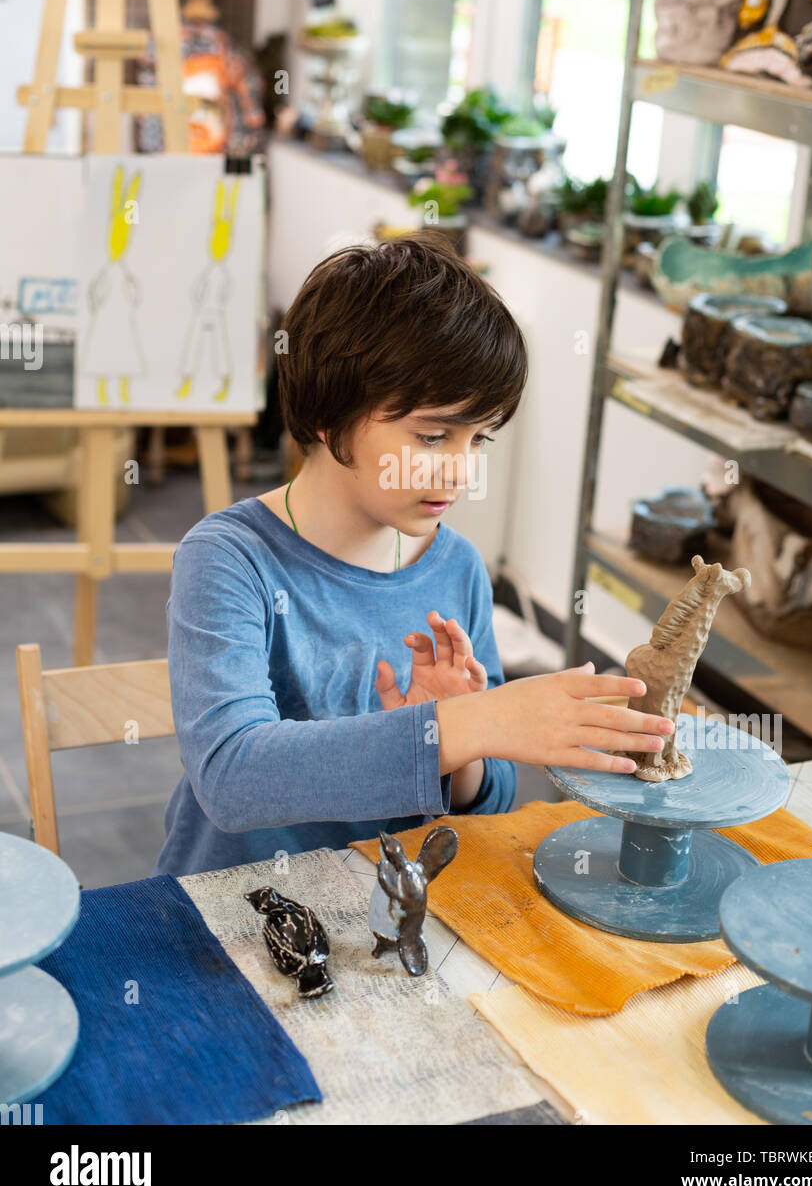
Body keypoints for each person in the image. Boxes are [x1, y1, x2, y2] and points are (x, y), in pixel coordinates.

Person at [155, 234, 674, 875]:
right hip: (228, 915)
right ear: (329, 413)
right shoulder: (230, 559)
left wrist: (462, 743)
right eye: (433, 436)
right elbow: (233, 776)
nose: (462, 473)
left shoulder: (456, 567)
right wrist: (463, 726)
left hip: (386, 908)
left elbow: (487, 807)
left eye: (478, 439)